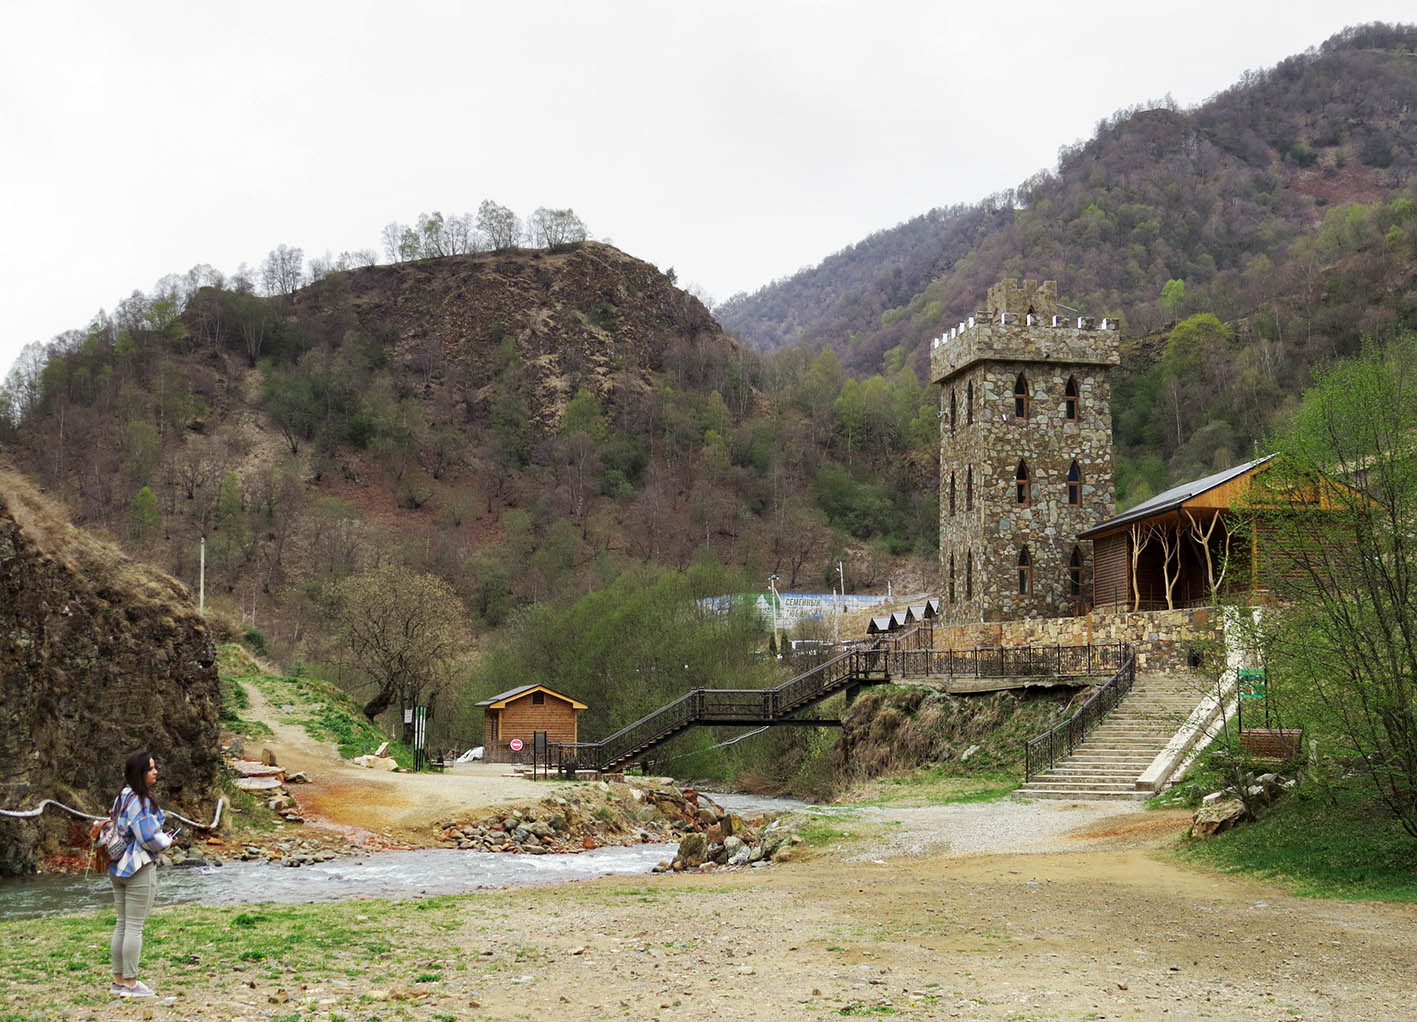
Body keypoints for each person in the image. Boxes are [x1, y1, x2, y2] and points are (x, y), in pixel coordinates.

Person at [107, 750, 174, 999]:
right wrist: (167, 841)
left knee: (122, 924)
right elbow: (148, 838)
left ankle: (118, 981)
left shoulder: (121, 796)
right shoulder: (140, 801)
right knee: (135, 926)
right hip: (138, 868)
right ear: (140, 773)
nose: (156, 772)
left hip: (117, 866)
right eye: (151, 768)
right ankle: (132, 985)